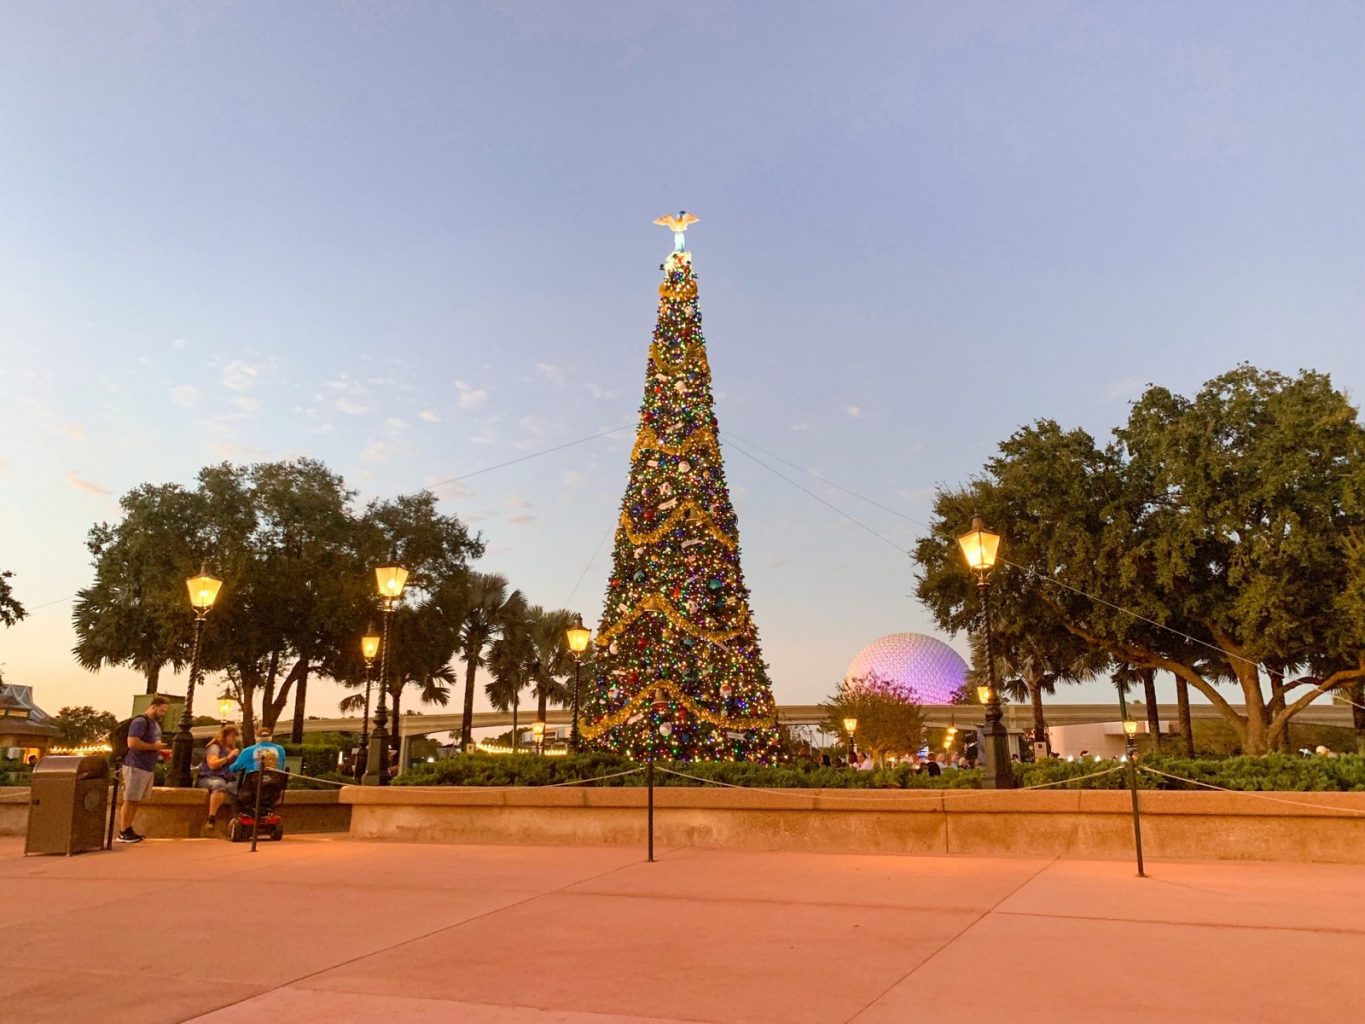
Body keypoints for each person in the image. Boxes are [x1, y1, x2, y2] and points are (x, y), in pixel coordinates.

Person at [117, 696, 170, 844]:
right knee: (130, 798)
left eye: (164, 712)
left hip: (146, 766)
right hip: (135, 765)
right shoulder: (140, 722)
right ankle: (123, 831)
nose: (162, 714)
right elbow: (132, 743)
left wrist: (160, 752)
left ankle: (128, 828)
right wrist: (154, 747)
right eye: (161, 710)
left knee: (135, 800)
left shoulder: (154, 725)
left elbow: (152, 744)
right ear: (153, 706)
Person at [196, 724, 240, 830]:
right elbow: (212, 764)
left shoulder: (232, 749)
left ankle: (239, 819)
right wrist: (228, 757)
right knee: (219, 784)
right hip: (209, 777)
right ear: (224, 736)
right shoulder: (215, 747)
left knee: (240, 786)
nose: (234, 739)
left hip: (228, 778)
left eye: (235, 736)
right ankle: (211, 818)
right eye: (232, 736)